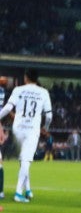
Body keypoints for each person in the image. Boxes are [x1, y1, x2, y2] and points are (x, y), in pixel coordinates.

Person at [0, 69, 53, 202]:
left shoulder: (18, 90)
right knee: (26, 160)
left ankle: (28, 189)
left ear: (26, 78)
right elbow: (49, 115)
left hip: (18, 128)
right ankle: (18, 193)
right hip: (32, 130)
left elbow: (7, 108)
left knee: (23, 160)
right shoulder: (43, 92)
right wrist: (45, 128)